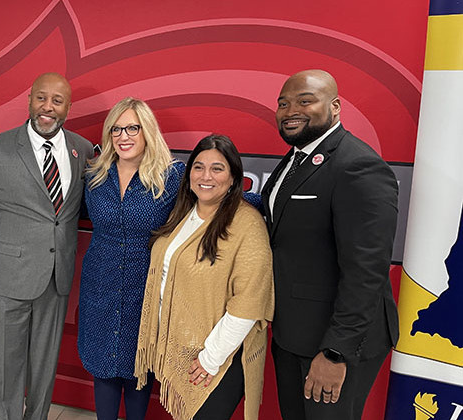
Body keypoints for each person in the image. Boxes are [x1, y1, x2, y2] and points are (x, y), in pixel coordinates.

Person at [261, 69, 399, 420]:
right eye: (283, 103)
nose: (291, 109)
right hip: (293, 332)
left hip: (335, 342)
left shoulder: (358, 165)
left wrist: (336, 352)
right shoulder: (296, 159)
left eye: (305, 101)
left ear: (335, 107)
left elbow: (366, 270)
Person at [0, 72, 94, 420]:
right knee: (6, 371)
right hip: (6, 282)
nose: (48, 107)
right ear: (30, 100)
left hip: (56, 280)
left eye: (57, 101)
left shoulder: (81, 149)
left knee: (43, 368)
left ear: (68, 107)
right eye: (41, 98)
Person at [134, 135, 274, 420]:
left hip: (217, 359)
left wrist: (210, 359)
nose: (205, 176)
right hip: (181, 349)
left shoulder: (247, 224)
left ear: (235, 178)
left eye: (217, 168)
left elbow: (248, 303)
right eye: (198, 167)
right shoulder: (183, 213)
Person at [78, 97, 184, 420]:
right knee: (103, 367)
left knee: (139, 369)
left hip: (146, 288)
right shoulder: (95, 175)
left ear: (147, 130)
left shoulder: (172, 176)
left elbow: (213, 196)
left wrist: (262, 203)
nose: (123, 136)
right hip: (100, 285)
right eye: (116, 130)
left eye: (132, 128)